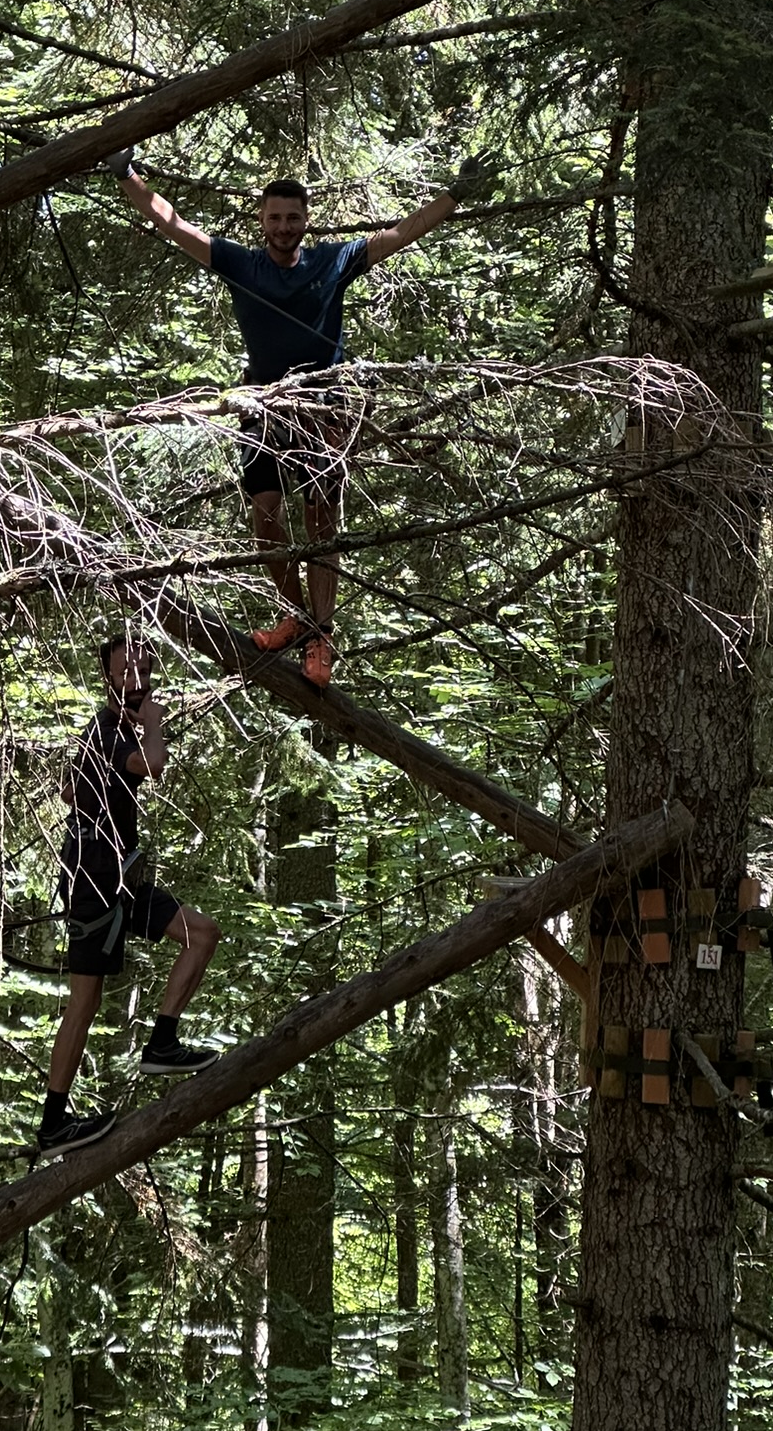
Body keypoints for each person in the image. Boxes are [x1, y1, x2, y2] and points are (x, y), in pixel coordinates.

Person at [104, 153, 497, 687]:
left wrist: (456, 194)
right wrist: (127, 176)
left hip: (323, 407)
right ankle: (296, 616)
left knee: (321, 524)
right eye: (274, 218)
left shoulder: (332, 262)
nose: (283, 227)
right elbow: (172, 223)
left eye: (292, 218)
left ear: (305, 219)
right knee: (265, 519)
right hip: (263, 407)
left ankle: (322, 638)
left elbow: (402, 233)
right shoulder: (242, 264)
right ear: (261, 221)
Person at [38, 635, 220, 1155]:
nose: (137, 675)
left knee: (201, 934)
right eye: (126, 669)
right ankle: (53, 1124)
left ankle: (162, 1042)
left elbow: (71, 790)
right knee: (85, 1001)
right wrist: (154, 724)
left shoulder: (109, 731)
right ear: (110, 680)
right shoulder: (109, 726)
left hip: (118, 877)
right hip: (92, 879)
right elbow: (153, 765)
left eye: (144, 666)